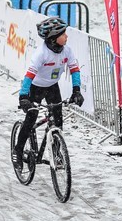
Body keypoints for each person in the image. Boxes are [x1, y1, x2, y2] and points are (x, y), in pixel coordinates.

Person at [13, 16, 84, 170]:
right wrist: (23, 96)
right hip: (36, 88)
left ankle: (57, 154)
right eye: (63, 34)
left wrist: (76, 90)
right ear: (53, 38)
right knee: (31, 118)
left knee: (58, 121)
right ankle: (17, 151)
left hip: (52, 87)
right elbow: (29, 76)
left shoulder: (67, 51)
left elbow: (75, 70)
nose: (67, 36)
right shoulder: (41, 54)